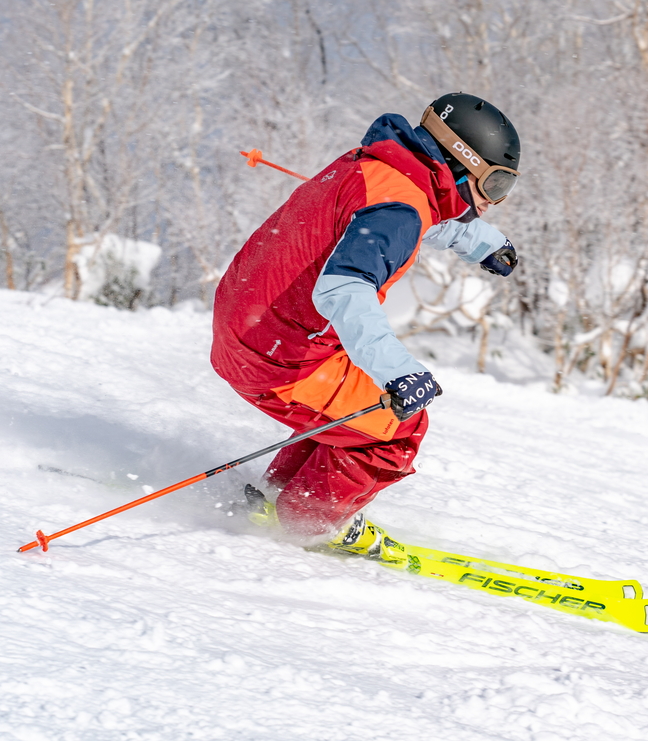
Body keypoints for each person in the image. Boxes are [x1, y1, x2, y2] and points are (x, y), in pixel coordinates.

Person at [210, 92, 521, 551]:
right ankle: (305, 521)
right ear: (460, 161)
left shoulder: (380, 167)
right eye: (494, 185)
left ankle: (277, 495)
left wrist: (480, 240)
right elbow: (344, 289)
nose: (495, 201)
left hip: (250, 328)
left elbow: (419, 216)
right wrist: (400, 371)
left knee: (356, 406)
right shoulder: (399, 206)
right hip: (277, 359)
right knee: (398, 427)